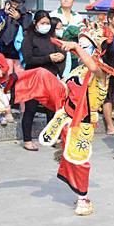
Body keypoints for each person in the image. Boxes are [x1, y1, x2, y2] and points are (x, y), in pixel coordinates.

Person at [8, 21, 114, 215]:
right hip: (66, 112)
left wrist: (76, 47)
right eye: (80, 45)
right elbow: (66, 86)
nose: (80, 50)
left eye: (86, 46)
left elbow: (92, 64)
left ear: (99, 50)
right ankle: (12, 86)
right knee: (41, 74)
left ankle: (84, 198)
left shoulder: (101, 71)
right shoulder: (79, 68)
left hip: (82, 121)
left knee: (78, 160)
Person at [20, 10, 66, 151]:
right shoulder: (28, 38)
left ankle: (52, 137)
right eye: (42, 23)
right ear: (35, 23)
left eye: (47, 23)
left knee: (51, 109)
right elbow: (28, 59)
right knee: (30, 109)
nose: (45, 25)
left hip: (50, 77)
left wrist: (60, 59)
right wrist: (48, 58)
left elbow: (60, 54)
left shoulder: (52, 38)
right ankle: (27, 140)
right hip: (34, 77)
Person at [0, 0, 32, 76]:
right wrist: (6, 15)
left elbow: (28, 30)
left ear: (22, 3)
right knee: (6, 78)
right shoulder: (1, 13)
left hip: (19, 52)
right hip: (4, 50)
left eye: (17, 2)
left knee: (21, 78)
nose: (14, 4)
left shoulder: (27, 15)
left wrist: (19, 18)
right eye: (12, 1)